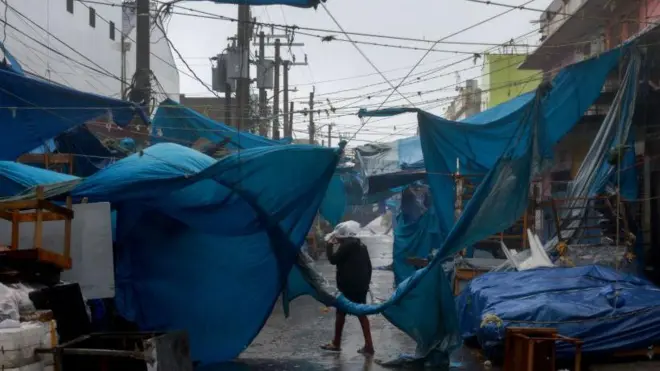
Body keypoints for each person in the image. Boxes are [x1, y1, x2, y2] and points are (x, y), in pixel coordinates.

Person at [321, 222, 374, 355]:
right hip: (360, 285)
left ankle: (337, 343)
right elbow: (369, 266)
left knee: (341, 313)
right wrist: (366, 284)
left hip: (348, 286)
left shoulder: (347, 246)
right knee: (361, 313)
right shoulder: (361, 245)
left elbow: (333, 260)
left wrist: (328, 246)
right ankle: (369, 345)